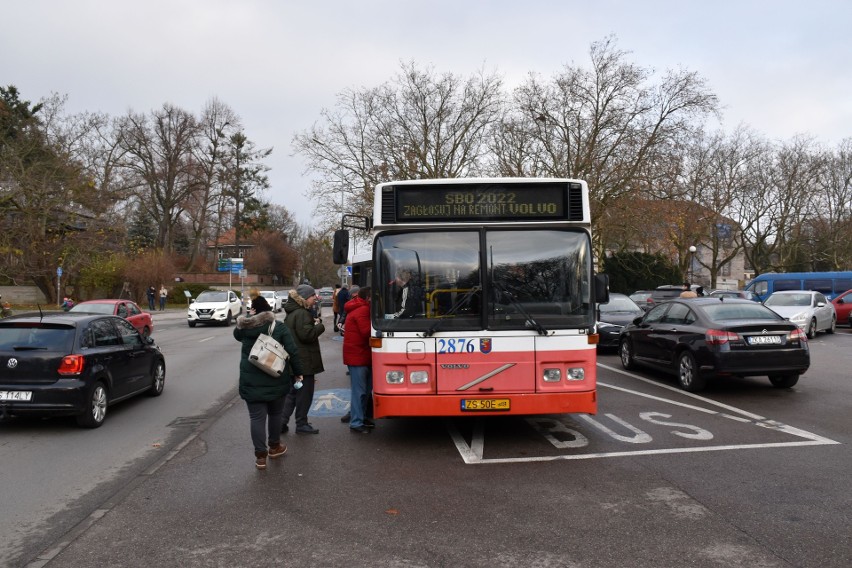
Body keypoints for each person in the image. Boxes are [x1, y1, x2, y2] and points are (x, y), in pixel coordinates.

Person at [233, 295, 304, 470]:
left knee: (256, 418)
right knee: (275, 414)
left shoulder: (243, 327)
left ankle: (260, 457)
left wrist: (249, 317)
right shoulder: (278, 327)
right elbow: (292, 351)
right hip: (276, 378)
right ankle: (274, 447)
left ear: (254, 310)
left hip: (251, 381)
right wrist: (298, 372)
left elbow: (237, 335)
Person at [281, 284, 325, 435]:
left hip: (295, 361)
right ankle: (302, 423)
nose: (315, 298)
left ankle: (281, 422)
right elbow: (306, 335)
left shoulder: (292, 312)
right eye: (313, 296)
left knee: (293, 393)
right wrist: (319, 326)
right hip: (304, 363)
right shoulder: (302, 314)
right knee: (304, 394)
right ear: (305, 298)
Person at [343, 286, 374, 433]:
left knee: (364, 391)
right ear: (368, 298)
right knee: (360, 391)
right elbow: (366, 332)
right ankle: (356, 422)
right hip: (358, 357)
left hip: (360, 355)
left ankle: (360, 418)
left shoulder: (359, 307)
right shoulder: (363, 310)